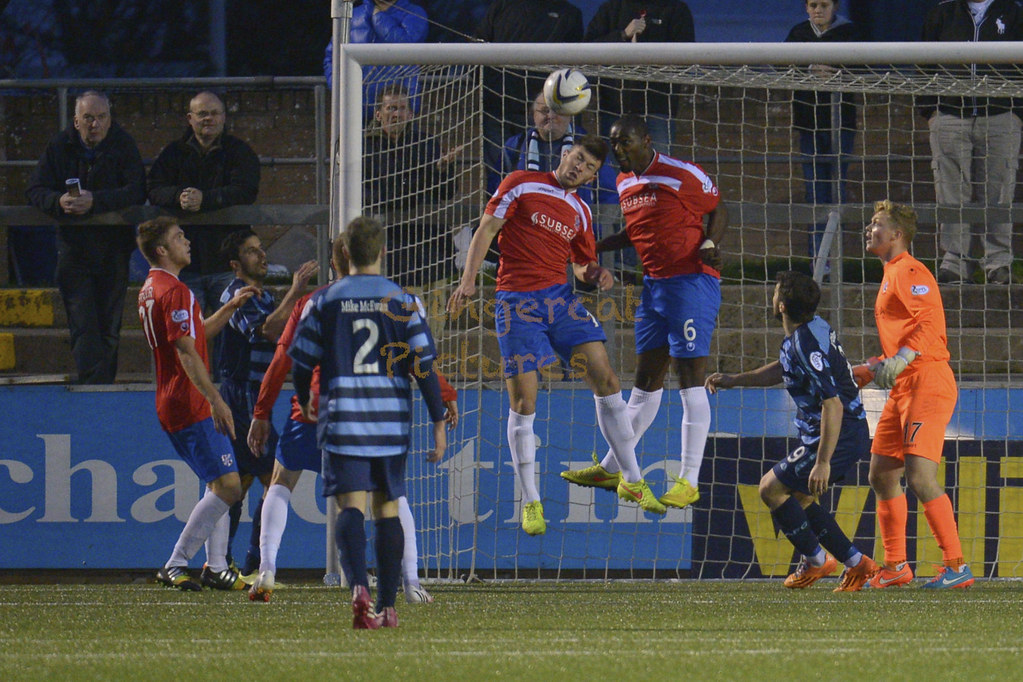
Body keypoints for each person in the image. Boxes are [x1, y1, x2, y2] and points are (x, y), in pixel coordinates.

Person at [448, 134, 666, 536]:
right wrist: (468, 281)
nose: (579, 168)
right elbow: (487, 227)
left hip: (560, 302)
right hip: (517, 304)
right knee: (524, 401)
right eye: (578, 159)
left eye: (589, 167)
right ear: (566, 154)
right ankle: (530, 499)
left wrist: (595, 273)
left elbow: (582, 265)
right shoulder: (521, 182)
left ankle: (632, 481)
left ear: (591, 175)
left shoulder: (581, 212)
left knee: (608, 380)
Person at [246, 234, 458, 604]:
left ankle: (266, 570)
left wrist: (262, 412)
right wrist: (444, 394)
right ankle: (410, 583)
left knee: (281, 483)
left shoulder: (315, 301)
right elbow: (414, 360)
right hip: (371, 415)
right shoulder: (394, 299)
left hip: (314, 411)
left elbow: (284, 360)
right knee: (390, 498)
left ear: (334, 263)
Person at [561, 115, 726, 510]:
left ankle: (689, 479)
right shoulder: (624, 181)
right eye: (614, 144)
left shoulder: (680, 173)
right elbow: (635, 234)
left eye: (625, 142)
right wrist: (590, 248)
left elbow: (720, 208)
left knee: (690, 378)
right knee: (646, 381)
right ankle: (610, 466)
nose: (618, 151)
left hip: (690, 281)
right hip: (654, 286)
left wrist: (710, 242)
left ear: (646, 140)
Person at [289, 216, 448, 629]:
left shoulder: (323, 301)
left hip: (343, 415)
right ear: (383, 252)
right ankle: (389, 606)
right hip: (390, 420)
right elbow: (423, 365)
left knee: (350, 506)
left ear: (344, 253)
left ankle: (358, 586)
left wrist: (306, 393)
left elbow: (301, 358)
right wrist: (437, 420)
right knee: (388, 509)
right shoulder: (404, 301)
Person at [705, 271, 878, 591]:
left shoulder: (804, 343)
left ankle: (817, 560)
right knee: (800, 497)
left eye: (774, 293)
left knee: (770, 489)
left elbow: (833, 404)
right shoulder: (812, 329)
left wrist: (823, 461)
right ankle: (858, 564)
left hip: (841, 430)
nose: (771, 298)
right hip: (839, 430)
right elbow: (784, 367)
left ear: (782, 306)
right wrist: (735, 380)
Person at [858, 200, 975, 589]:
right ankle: (896, 566)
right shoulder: (891, 273)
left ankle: (956, 565)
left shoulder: (909, 269)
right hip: (903, 384)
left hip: (926, 378)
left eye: (877, 224)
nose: (869, 229)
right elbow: (904, 334)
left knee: (921, 476)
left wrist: (905, 355)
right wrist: (875, 365)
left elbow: (929, 322)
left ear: (897, 235)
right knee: (880, 474)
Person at [136, 216, 257, 592]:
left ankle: (217, 566)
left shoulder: (153, 288)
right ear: (161, 250)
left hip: (174, 396)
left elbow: (196, 333)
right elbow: (187, 352)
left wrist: (231, 307)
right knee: (230, 487)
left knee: (218, 482)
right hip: (187, 399)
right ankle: (175, 562)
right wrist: (216, 399)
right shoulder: (175, 290)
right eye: (178, 237)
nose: (186, 240)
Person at [25, 90, 145, 384]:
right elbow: (35, 189)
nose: (95, 124)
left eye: (101, 117)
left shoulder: (123, 145)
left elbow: (138, 190)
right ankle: (93, 390)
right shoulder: (59, 147)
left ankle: (102, 389)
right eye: (88, 118)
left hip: (114, 250)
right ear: (76, 121)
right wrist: (59, 202)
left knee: (109, 327)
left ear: (109, 119)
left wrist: (96, 202)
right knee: (83, 325)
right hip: (73, 251)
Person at [216, 229, 317, 576]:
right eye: (251, 251)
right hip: (241, 392)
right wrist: (296, 293)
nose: (261, 255)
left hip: (254, 395)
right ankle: (251, 566)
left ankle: (221, 563)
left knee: (237, 484)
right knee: (272, 480)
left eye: (261, 249)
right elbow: (270, 332)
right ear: (235, 264)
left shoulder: (262, 297)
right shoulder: (237, 294)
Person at [921, 0, 1023, 285]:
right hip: (950, 115)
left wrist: (1017, 115)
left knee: (1000, 191)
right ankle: (955, 262)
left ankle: (997, 263)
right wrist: (931, 112)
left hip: (1001, 116)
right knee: (951, 192)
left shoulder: (1013, 13)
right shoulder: (942, 13)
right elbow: (924, 65)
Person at [147, 91, 261, 323]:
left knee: (231, 336)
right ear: (190, 118)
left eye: (214, 113)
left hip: (228, 262)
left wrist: (205, 199)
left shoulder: (239, 152)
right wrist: (178, 196)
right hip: (186, 264)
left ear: (224, 117)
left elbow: (247, 190)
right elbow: (153, 188)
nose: (208, 118)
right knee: (186, 336)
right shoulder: (173, 153)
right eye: (202, 114)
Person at [784, 0, 864, 275]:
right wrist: (809, 69)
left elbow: (865, 67)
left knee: (836, 191)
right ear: (806, 8)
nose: (818, 10)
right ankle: (818, 261)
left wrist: (836, 71)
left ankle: (835, 257)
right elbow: (782, 65)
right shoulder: (798, 34)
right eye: (813, 5)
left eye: (824, 5)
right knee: (814, 192)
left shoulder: (849, 32)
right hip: (808, 124)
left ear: (834, 7)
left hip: (841, 123)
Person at [363, 83, 463, 288]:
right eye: (391, 108)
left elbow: (446, 193)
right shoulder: (365, 148)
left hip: (430, 248)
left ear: (410, 114)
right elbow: (377, 196)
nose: (396, 114)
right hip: (390, 250)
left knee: (435, 317)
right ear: (379, 114)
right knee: (396, 315)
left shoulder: (427, 143)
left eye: (401, 109)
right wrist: (423, 181)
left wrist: (445, 170)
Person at [474, 0, 583, 175]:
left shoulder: (569, 13)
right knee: (498, 171)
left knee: (543, 168)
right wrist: (490, 86)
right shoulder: (501, 6)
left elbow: (573, 67)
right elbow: (478, 47)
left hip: (542, 111)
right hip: (497, 106)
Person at [584, 0, 695, 153]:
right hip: (615, 109)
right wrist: (623, 35)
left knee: (657, 171)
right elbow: (587, 50)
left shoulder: (675, 8)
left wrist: (651, 57)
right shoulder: (611, 8)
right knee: (615, 172)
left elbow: (687, 56)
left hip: (658, 110)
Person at [322, 0, 428, 117]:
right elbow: (332, 57)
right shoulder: (353, 15)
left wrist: (378, 16)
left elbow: (407, 46)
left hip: (396, 110)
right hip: (354, 108)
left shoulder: (414, 13)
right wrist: (338, 88)